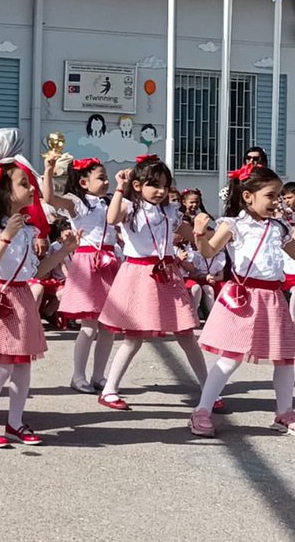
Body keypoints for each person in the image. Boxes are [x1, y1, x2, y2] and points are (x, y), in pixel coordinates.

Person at [0, 162, 78, 447]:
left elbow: (36, 271)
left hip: (20, 297)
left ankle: (15, 422)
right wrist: (5, 235)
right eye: (24, 183)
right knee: (2, 367)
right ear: (4, 191)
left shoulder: (27, 229)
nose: (32, 188)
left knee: (22, 366)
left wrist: (65, 251)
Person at [188, 163, 295, 437]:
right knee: (230, 357)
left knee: (285, 359)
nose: (277, 202)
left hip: (273, 298)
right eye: (271, 196)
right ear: (248, 196)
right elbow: (209, 251)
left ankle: (284, 412)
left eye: (279, 196)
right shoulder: (233, 225)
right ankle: (202, 410)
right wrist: (200, 233)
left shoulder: (280, 227)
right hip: (244, 299)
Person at [96, 157, 210, 412]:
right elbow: (112, 217)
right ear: (137, 185)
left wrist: (206, 233)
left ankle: (208, 388)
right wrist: (119, 187)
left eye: (164, 186)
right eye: (154, 185)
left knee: (186, 333)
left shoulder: (170, 211)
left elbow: (195, 235)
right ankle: (109, 390)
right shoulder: (128, 207)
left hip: (167, 272)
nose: (160, 191)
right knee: (134, 336)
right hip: (138, 274)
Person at [41, 156, 117, 394]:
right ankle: (78, 375)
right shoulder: (78, 203)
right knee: (88, 325)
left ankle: (99, 375)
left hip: (110, 262)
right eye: (101, 178)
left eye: (106, 178)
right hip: (88, 263)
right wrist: (49, 172)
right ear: (84, 182)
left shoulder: (108, 202)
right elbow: (50, 198)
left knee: (109, 326)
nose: (106, 182)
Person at [0, 128, 49, 243]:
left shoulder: (20, 169)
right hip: (3, 225)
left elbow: (33, 202)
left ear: (6, 144)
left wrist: (40, 234)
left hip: (21, 229)